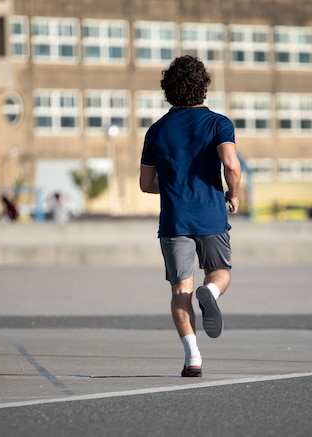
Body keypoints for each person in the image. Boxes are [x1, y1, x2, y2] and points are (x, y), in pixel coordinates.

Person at [139, 55, 241, 378]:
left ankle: (193, 356)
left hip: (174, 220)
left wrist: (172, 185)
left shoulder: (156, 131)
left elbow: (145, 184)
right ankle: (210, 293)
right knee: (220, 272)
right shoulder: (218, 123)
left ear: (168, 90)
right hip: (211, 214)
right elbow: (231, 165)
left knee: (180, 290)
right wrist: (233, 193)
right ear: (203, 88)